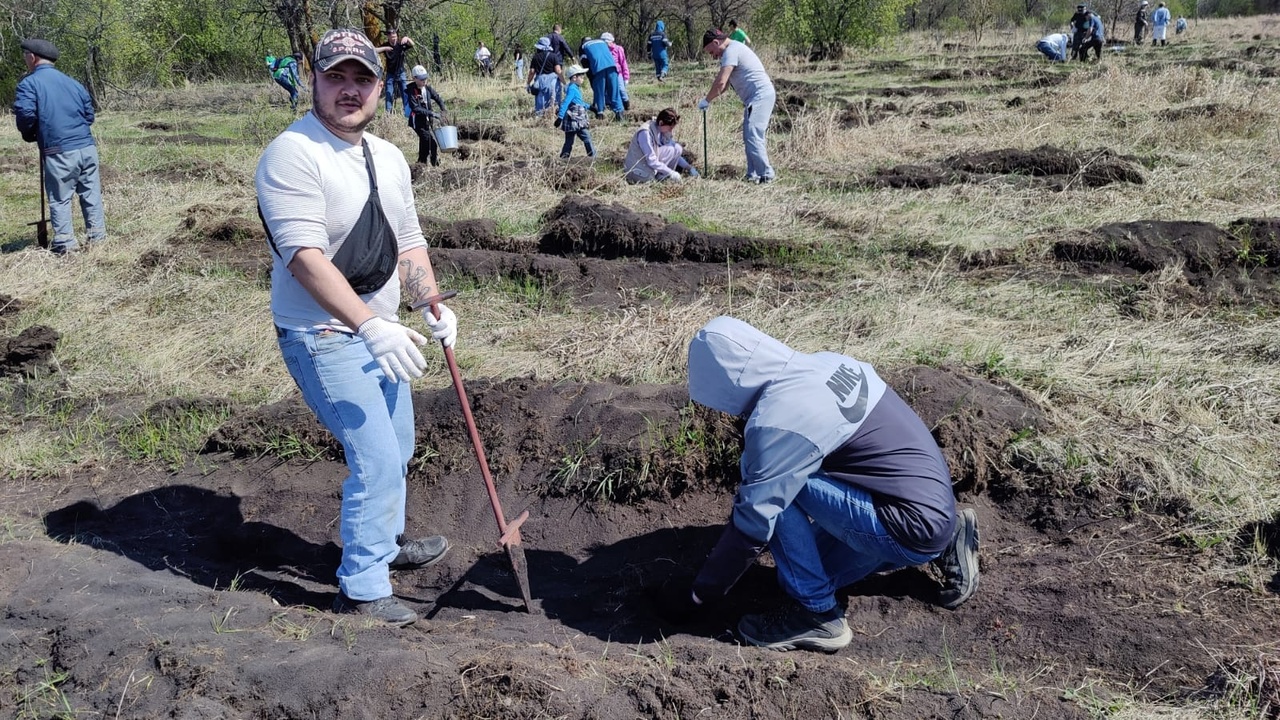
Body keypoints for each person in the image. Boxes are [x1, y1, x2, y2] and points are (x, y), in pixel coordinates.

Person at [255, 27, 458, 627]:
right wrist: (369, 325)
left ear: (379, 86)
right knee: (372, 455)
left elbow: (409, 242)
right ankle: (364, 588)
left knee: (398, 447)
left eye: (361, 79)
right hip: (322, 335)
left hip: (382, 325)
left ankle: (387, 543)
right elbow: (303, 257)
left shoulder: (389, 156)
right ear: (312, 78)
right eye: (336, 76)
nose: (349, 90)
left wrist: (432, 306)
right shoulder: (293, 153)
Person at [654, 316, 980, 652]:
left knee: (767, 486)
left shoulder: (779, 420)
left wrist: (698, 595)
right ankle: (950, 535)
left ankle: (818, 616)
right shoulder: (827, 363)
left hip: (907, 526)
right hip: (931, 505)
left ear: (726, 383)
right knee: (800, 574)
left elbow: (754, 520)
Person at [13, 38, 107, 256]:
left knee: (60, 198)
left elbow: (26, 115)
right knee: (91, 195)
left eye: (25, 56)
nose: (25, 60)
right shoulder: (74, 83)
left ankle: (65, 244)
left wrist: (30, 134)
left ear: (32, 57)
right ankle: (98, 239)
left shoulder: (29, 84)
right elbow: (89, 116)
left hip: (59, 150)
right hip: (87, 148)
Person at [698, 29, 776, 184]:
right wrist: (710, 99)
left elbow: (720, 82)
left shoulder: (731, 51)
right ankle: (752, 174)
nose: (713, 56)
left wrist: (706, 100)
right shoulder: (732, 50)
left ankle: (766, 175)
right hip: (755, 98)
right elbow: (726, 84)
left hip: (760, 96)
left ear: (716, 42)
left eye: (712, 52)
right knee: (749, 135)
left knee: (753, 135)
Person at [623, 107, 700, 183]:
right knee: (670, 149)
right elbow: (651, 160)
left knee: (677, 148)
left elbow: (676, 153)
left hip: (647, 165)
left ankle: (663, 175)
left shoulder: (660, 130)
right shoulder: (645, 133)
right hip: (638, 171)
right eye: (669, 128)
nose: (670, 131)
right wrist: (671, 172)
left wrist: (689, 168)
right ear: (661, 123)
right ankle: (662, 176)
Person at [407, 65, 447, 166]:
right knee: (431, 143)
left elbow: (437, 98)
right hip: (418, 122)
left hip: (427, 122)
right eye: (421, 79)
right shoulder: (411, 91)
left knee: (424, 143)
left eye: (425, 78)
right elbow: (416, 108)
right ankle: (435, 164)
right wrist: (432, 113)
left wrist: (443, 109)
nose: (424, 81)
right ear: (414, 78)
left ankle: (421, 163)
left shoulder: (428, 89)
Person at [579, 36, 623, 120]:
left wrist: (591, 77)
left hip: (598, 68)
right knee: (614, 91)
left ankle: (600, 113)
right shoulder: (602, 42)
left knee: (599, 91)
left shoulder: (583, 47)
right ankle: (619, 114)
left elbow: (585, 63)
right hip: (612, 66)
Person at [556, 65, 595, 158]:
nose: (583, 79)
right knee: (587, 138)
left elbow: (578, 102)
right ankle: (593, 157)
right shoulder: (573, 89)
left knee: (569, 141)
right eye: (581, 77)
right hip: (576, 121)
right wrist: (560, 117)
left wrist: (590, 107)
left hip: (571, 120)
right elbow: (566, 102)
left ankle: (564, 158)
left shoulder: (573, 88)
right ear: (574, 78)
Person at [376, 28, 414, 117]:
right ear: (388, 37)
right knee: (389, 93)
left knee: (405, 92)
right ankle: (388, 114)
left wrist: (407, 38)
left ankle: (407, 112)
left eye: (395, 36)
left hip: (401, 73)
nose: (394, 38)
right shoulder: (386, 45)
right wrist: (385, 48)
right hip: (390, 74)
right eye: (392, 37)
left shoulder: (401, 44)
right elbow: (375, 50)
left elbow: (412, 44)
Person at [526, 36, 564, 119]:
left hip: (540, 81)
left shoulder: (536, 57)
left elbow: (532, 72)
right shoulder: (554, 56)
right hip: (553, 81)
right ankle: (554, 115)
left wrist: (528, 83)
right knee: (554, 99)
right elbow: (558, 70)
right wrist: (563, 82)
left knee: (540, 100)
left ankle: (540, 117)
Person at [602, 32, 631, 111]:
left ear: (611, 41)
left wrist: (626, 77)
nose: (605, 44)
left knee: (621, 89)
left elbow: (623, 63)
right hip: (607, 73)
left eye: (606, 42)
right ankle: (609, 106)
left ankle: (626, 105)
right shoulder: (603, 50)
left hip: (618, 73)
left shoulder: (618, 49)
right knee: (607, 91)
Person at [549, 25, 576, 105]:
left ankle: (550, 99)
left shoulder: (547, 37)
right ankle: (557, 100)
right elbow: (566, 47)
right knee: (558, 79)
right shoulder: (559, 37)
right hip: (558, 61)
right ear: (559, 30)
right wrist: (572, 56)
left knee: (550, 79)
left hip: (548, 61)